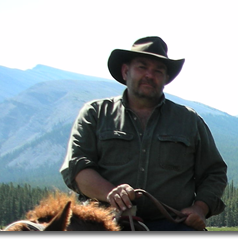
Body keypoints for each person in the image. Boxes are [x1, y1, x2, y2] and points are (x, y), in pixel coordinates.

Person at [60, 36, 228, 231]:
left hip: (172, 224)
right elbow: (77, 167)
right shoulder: (95, 114)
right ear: (125, 71)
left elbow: (214, 172)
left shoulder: (189, 120)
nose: (150, 75)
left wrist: (200, 208)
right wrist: (111, 193)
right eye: (142, 67)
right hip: (105, 221)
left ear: (166, 78)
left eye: (158, 70)